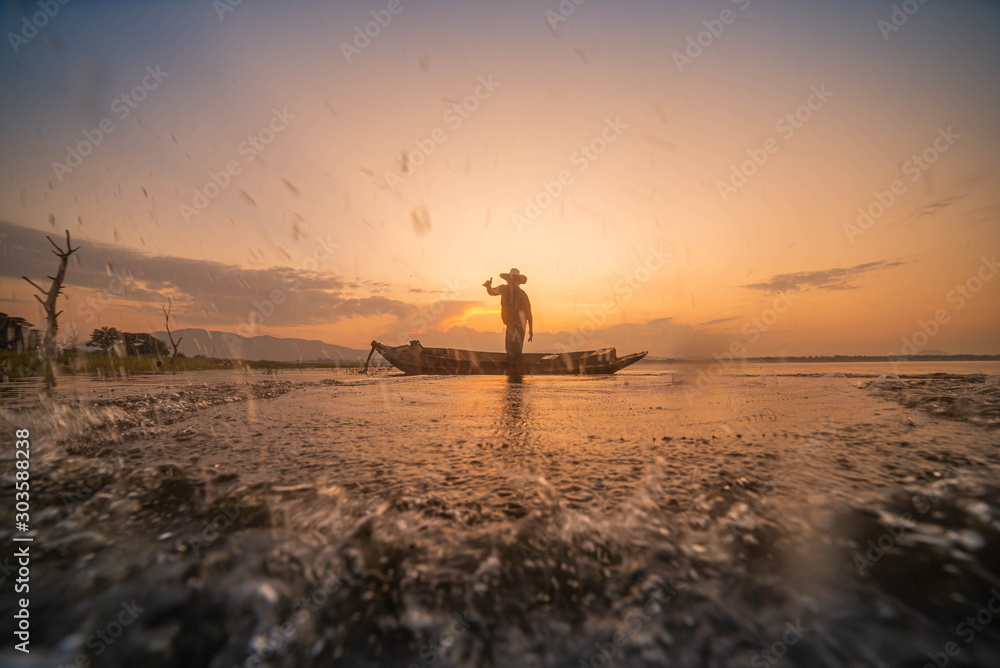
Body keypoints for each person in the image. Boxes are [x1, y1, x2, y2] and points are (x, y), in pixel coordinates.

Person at [483, 268, 533, 366]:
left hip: (520, 325)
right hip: (510, 324)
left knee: (516, 349)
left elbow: (528, 312)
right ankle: (513, 372)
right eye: (510, 279)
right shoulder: (503, 289)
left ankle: (516, 370)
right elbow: (492, 292)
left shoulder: (522, 294)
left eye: (515, 279)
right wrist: (488, 287)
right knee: (509, 348)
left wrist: (531, 330)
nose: (512, 281)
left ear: (518, 282)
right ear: (508, 280)